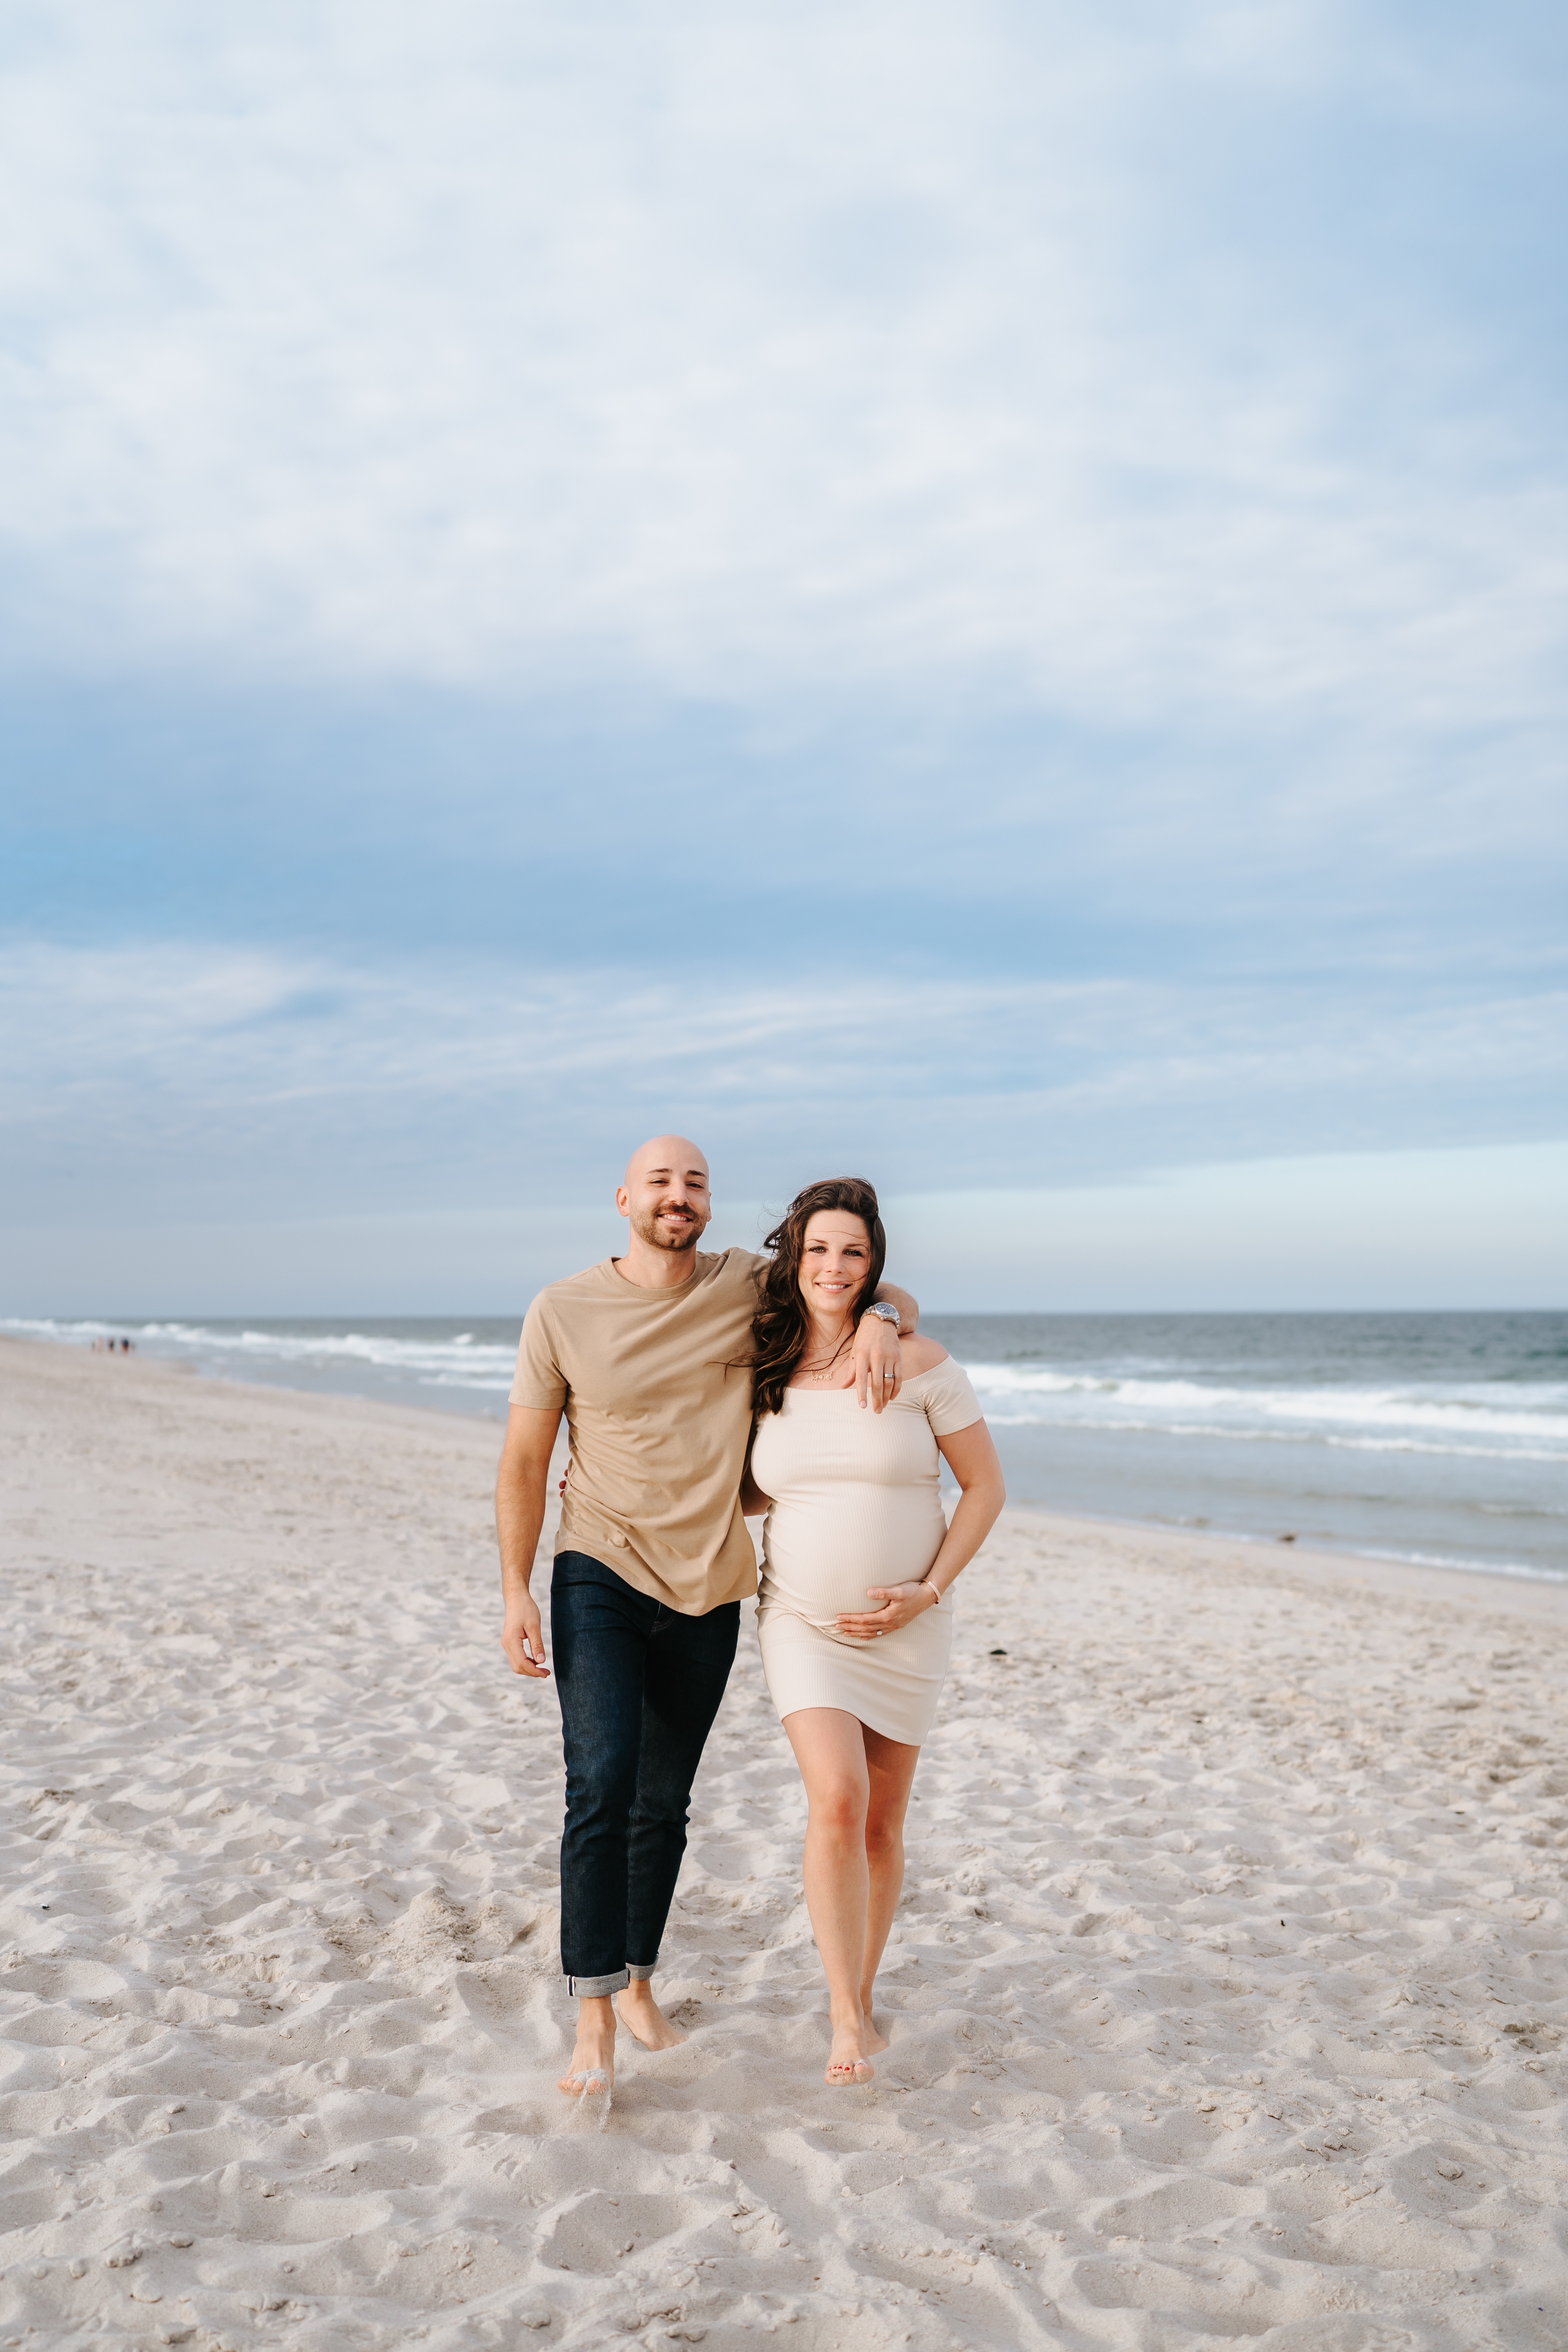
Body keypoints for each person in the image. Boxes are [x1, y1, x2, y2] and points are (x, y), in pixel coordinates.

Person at [494, 1136, 918, 2105]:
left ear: (709, 1205)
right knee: (599, 1786)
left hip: (710, 1582)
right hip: (595, 1565)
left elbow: (843, 1279)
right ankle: (593, 2015)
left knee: (663, 1802)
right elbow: (524, 1459)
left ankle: (639, 1979)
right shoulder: (560, 1309)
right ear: (622, 1200)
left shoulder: (743, 1287)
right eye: (660, 1182)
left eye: (694, 1184)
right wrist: (516, 1587)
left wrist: (888, 1317)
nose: (677, 1197)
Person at [741, 1177, 1005, 2085]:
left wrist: (927, 1592)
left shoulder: (916, 1361)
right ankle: (846, 2019)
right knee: (840, 1800)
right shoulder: (761, 1363)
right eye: (817, 1249)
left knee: (885, 1823)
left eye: (852, 1252)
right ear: (792, 1257)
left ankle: (862, 1986)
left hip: (908, 1630)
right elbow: (732, 1484)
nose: (833, 1266)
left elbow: (984, 1489)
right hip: (801, 1623)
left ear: (873, 1264)